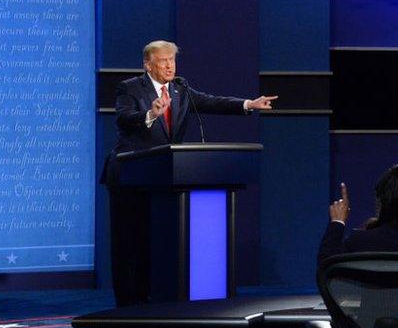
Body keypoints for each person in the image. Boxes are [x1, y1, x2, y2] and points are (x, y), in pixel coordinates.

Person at [103, 40, 278, 307]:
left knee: (157, 245)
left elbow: (211, 102)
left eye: (172, 60)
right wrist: (150, 113)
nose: (169, 65)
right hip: (130, 177)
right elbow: (124, 118)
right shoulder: (129, 88)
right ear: (148, 65)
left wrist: (248, 105)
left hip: (163, 179)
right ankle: (128, 306)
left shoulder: (180, 89)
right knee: (130, 244)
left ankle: (157, 300)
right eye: (163, 61)